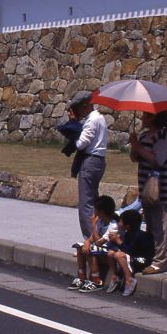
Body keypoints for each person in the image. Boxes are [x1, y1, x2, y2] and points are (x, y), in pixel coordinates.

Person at [59, 92, 108, 241]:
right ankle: (97, 235)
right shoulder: (100, 118)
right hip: (98, 161)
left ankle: (90, 239)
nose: (76, 111)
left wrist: (73, 125)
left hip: (90, 161)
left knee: (86, 205)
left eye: (77, 107)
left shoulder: (92, 120)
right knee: (94, 203)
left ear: (85, 105)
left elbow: (81, 144)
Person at [129, 110, 167, 274]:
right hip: (146, 187)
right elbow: (137, 158)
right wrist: (134, 148)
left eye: (146, 115)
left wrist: (138, 147)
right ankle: (150, 255)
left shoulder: (162, 136)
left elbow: (158, 160)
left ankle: (160, 261)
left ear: (154, 117)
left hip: (161, 189)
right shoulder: (144, 135)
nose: (142, 118)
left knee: (161, 226)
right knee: (150, 225)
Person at [68, 195, 117, 292]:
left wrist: (93, 225)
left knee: (91, 249)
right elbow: (91, 238)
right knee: (80, 247)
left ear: (101, 212)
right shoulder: (101, 221)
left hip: (110, 255)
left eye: (96, 210)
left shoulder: (113, 225)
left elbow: (99, 242)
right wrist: (86, 242)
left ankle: (96, 280)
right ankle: (81, 277)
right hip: (101, 251)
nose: (94, 213)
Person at [106, 209, 155, 297]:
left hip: (142, 260)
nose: (119, 224)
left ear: (127, 226)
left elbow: (130, 250)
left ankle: (129, 279)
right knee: (110, 253)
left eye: (121, 222)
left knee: (119, 255)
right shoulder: (128, 233)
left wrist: (118, 241)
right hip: (132, 257)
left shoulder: (139, 235)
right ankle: (115, 276)